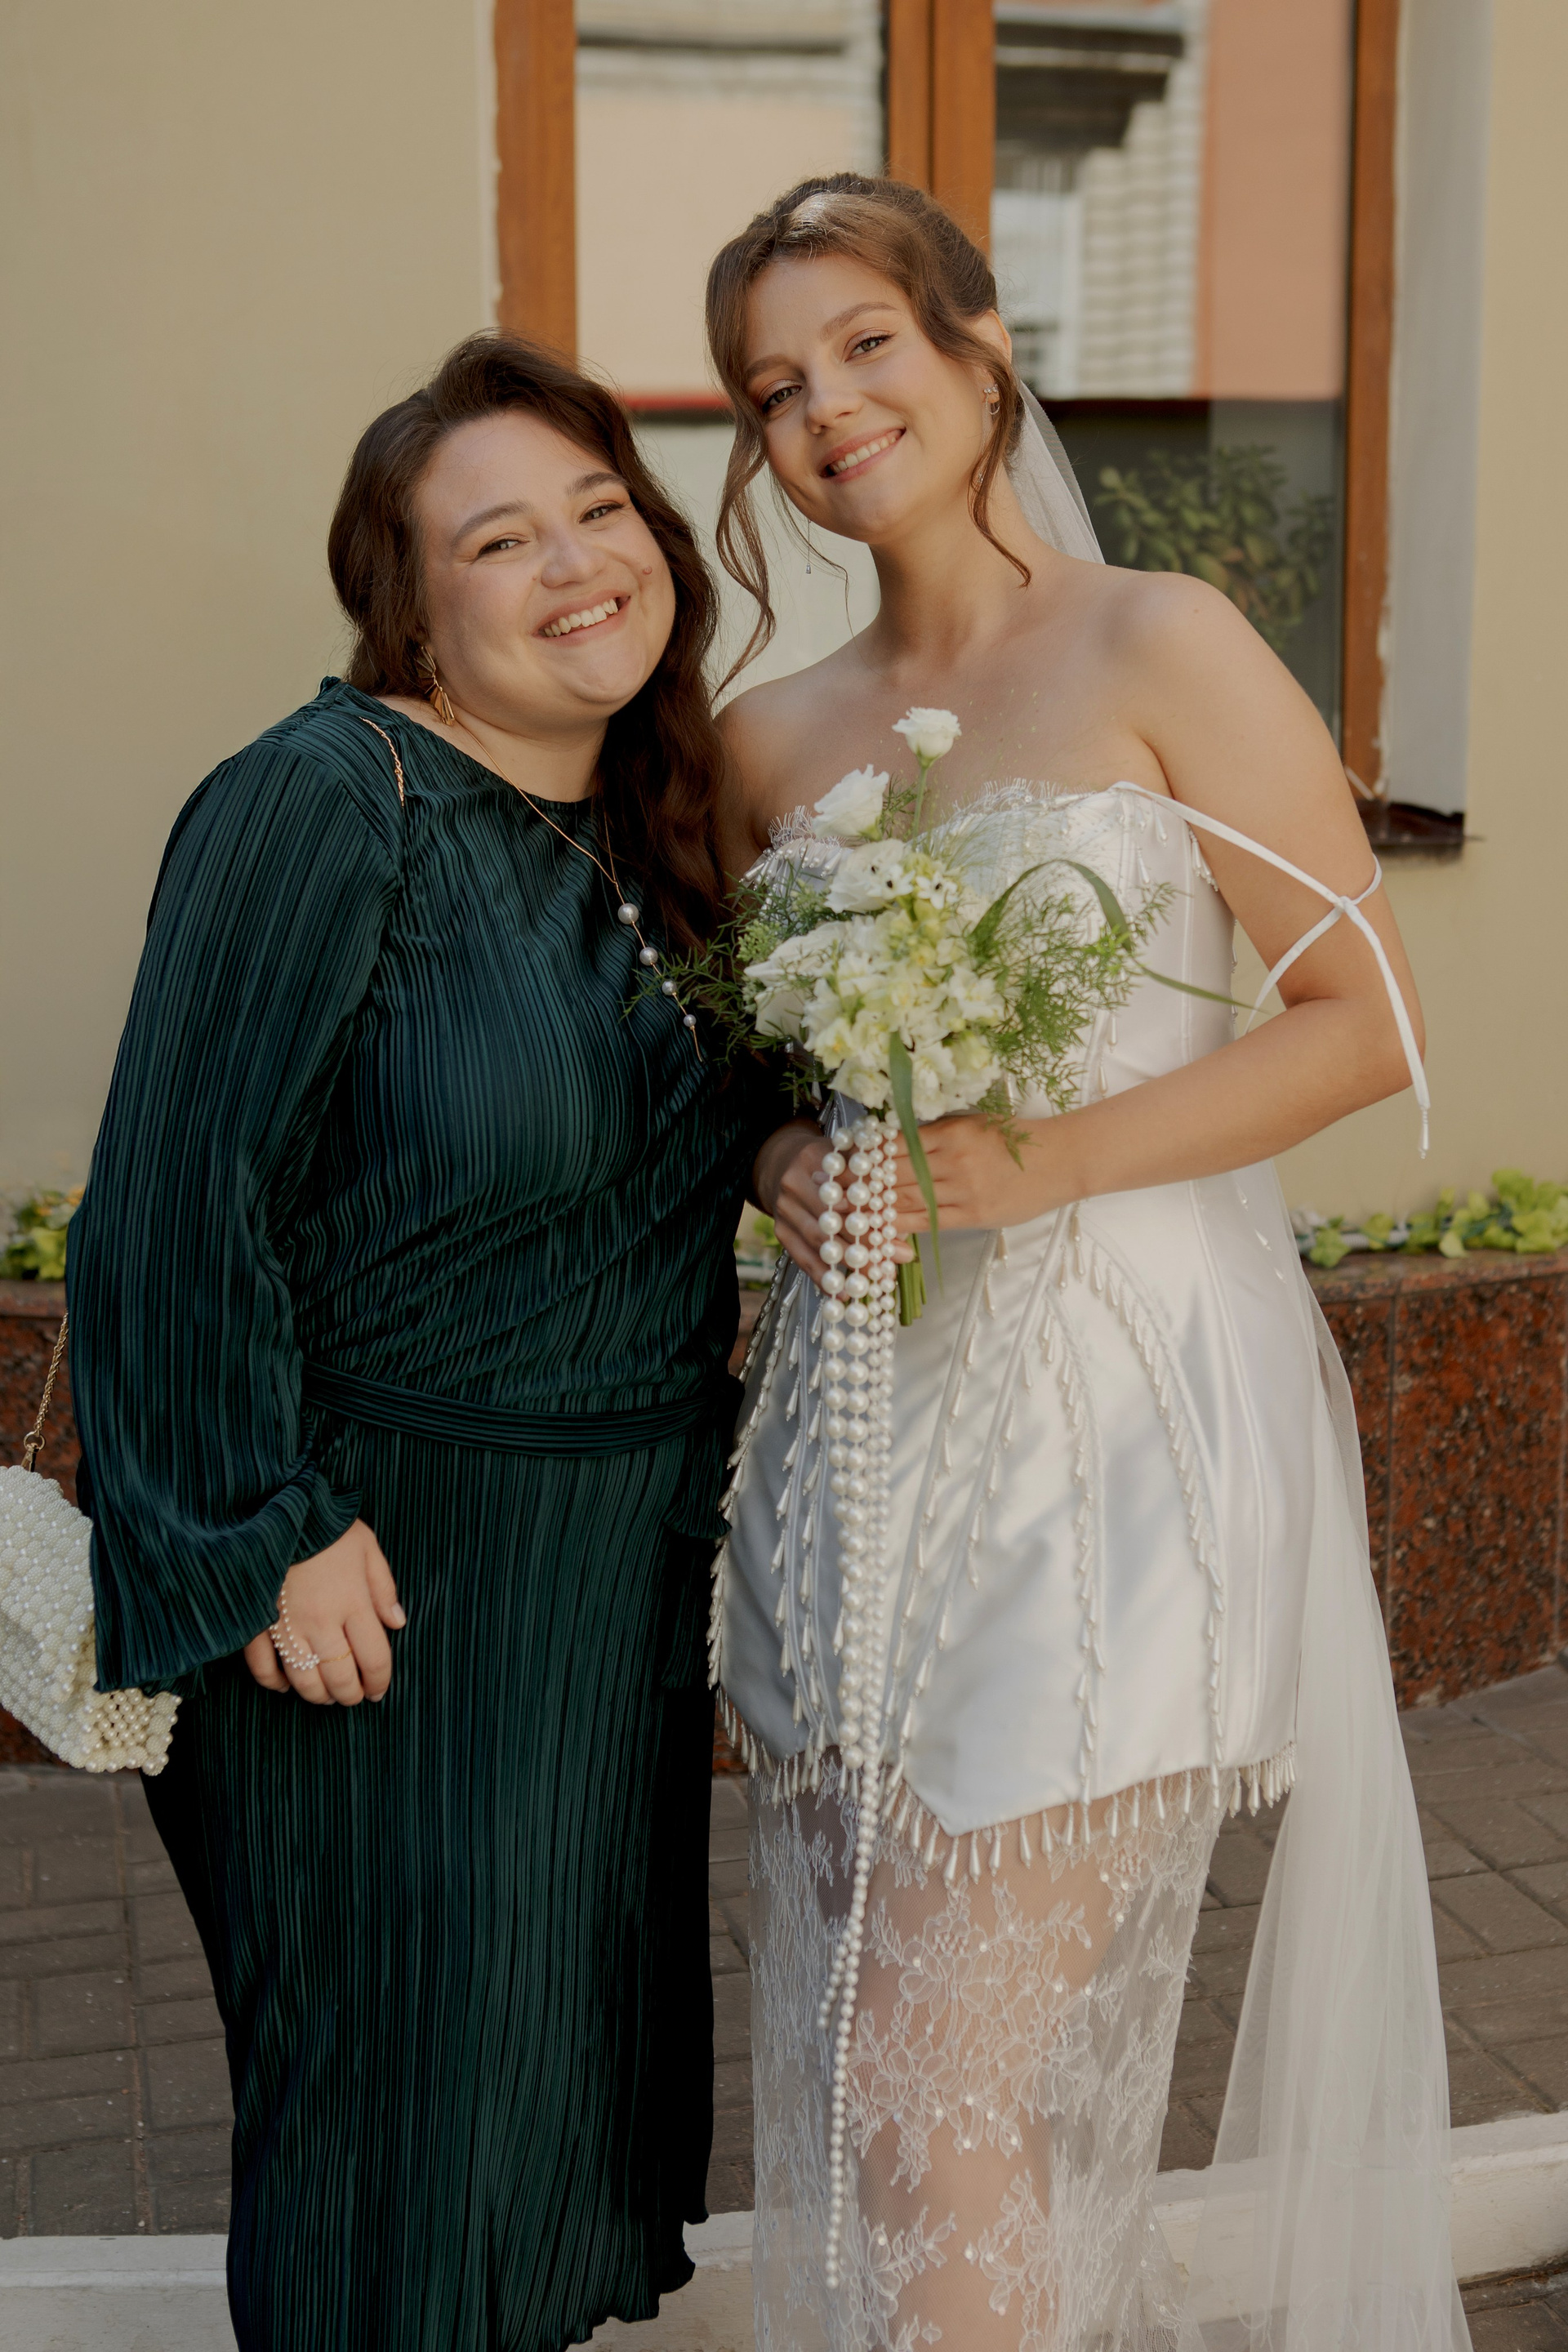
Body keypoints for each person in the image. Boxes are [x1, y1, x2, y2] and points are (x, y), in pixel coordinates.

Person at [706, 176, 1468, 2349]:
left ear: (981, 350)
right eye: (773, 387)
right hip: (864, 1430)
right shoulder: (769, 737)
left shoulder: (1166, 643)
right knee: (885, 2070)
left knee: (936, 2077)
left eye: (866, 345)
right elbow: (727, 1078)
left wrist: (1035, 1164)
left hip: (1117, 1419)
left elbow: (1364, 1024)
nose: (827, 409)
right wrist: (785, 1153)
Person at [68, 334, 756, 2352]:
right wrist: (261, 1526)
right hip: (373, 1583)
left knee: (532, 2118)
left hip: (601, 1588)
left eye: (601, 510)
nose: (577, 564)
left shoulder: (645, 824)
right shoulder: (323, 800)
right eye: (499, 540)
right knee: (394, 2146)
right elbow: (170, 1198)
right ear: (411, 604)